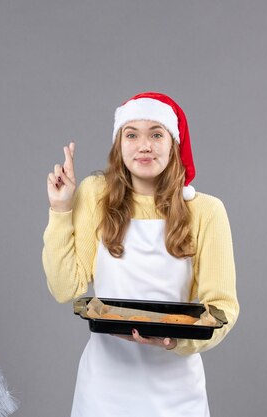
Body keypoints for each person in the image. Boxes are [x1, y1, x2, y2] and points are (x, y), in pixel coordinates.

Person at [42, 92, 239, 417]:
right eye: (131, 134)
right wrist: (61, 209)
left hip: (176, 393)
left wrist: (177, 340)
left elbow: (223, 308)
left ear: (173, 144)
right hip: (104, 390)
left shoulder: (206, 211)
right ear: (119, 144)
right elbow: (66, 289)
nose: (143, 145)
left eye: (156, 134)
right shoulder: (95, 195)